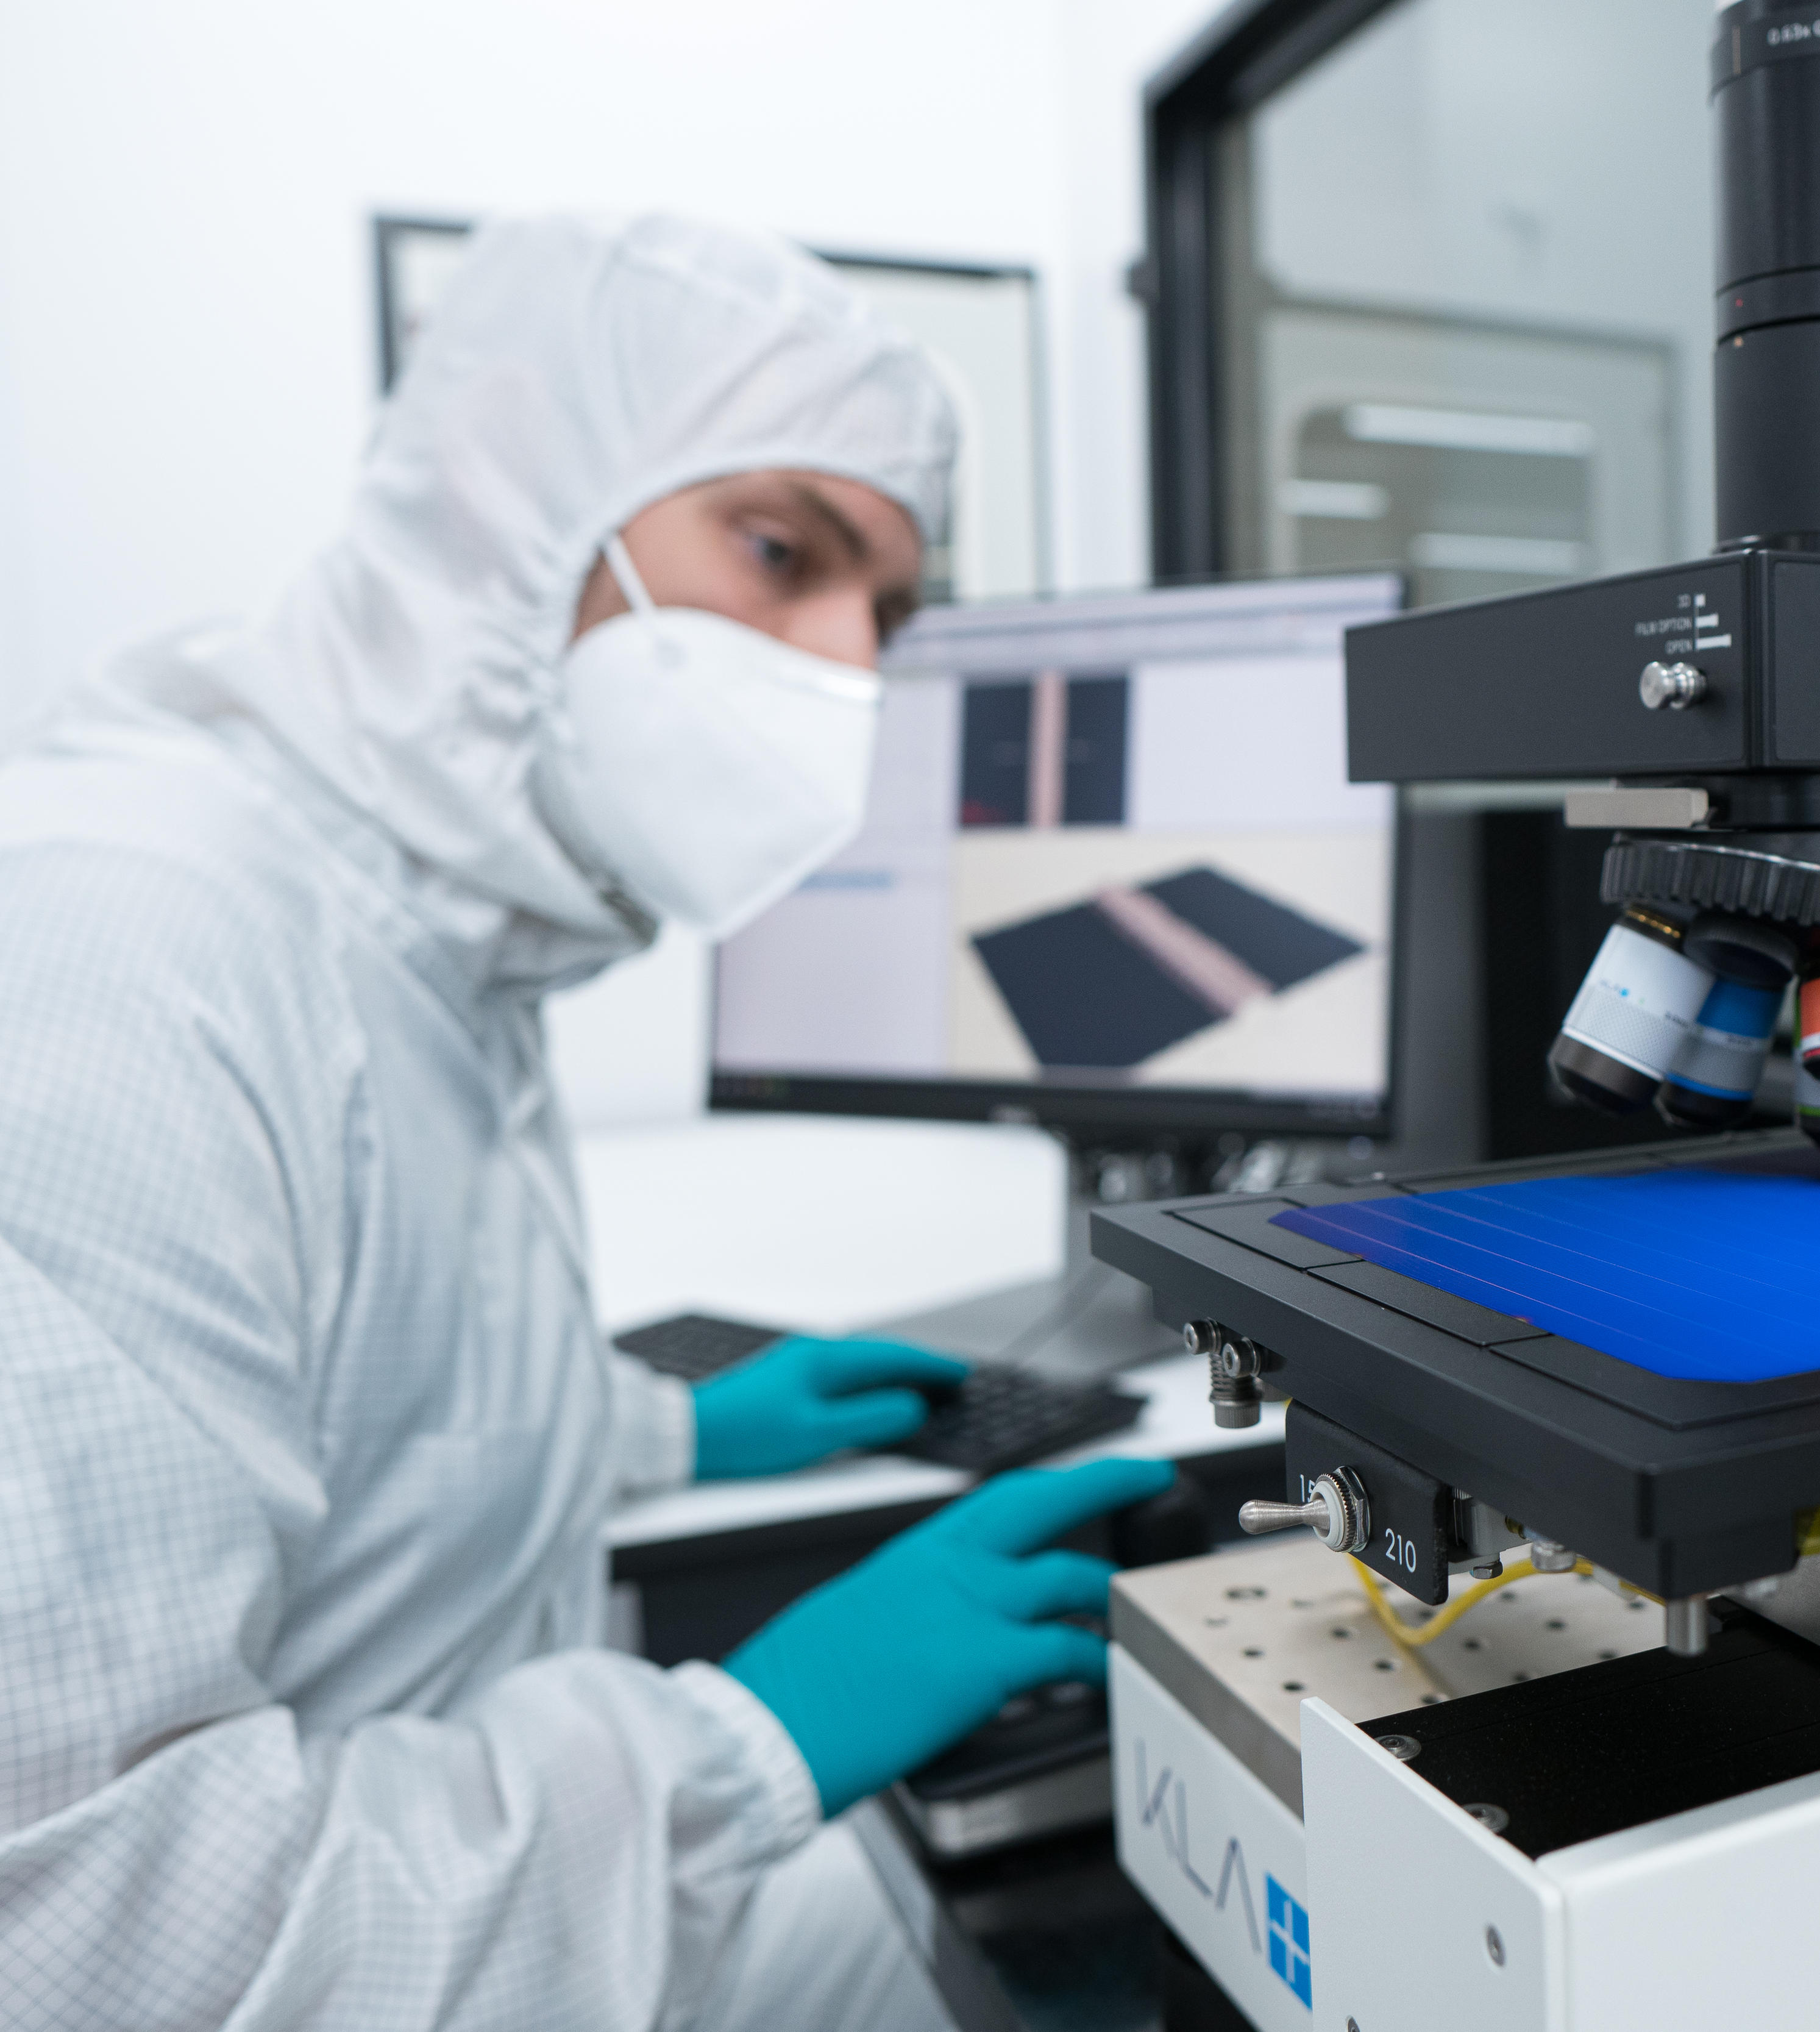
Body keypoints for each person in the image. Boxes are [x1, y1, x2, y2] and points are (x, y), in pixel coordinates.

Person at [0, 214, 1171, 2029]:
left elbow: (341, 1402)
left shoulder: (431, 940)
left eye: (889, 611)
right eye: (783, 549)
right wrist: (747, 1743)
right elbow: (94, 1937)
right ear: (509, 499)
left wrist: (655, 1433)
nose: (850, 670)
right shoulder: (121, 958)